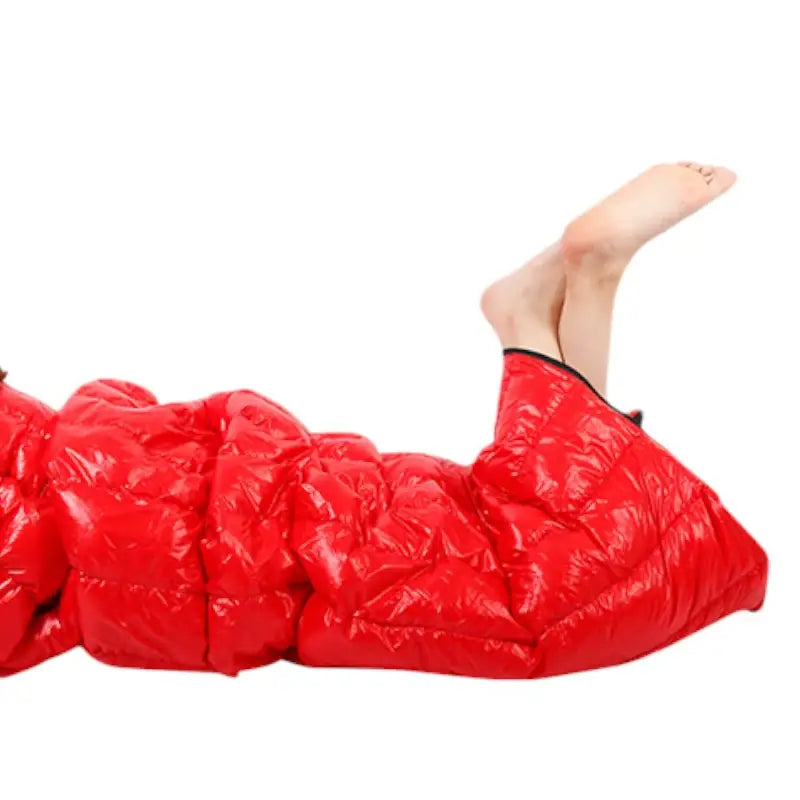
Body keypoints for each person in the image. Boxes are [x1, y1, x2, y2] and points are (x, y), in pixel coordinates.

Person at [0, 163, 768, 679]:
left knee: (557, 593)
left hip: (274, 547)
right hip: (277, 503)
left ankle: (548, 306)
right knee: (546, 542)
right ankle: (564, 295)